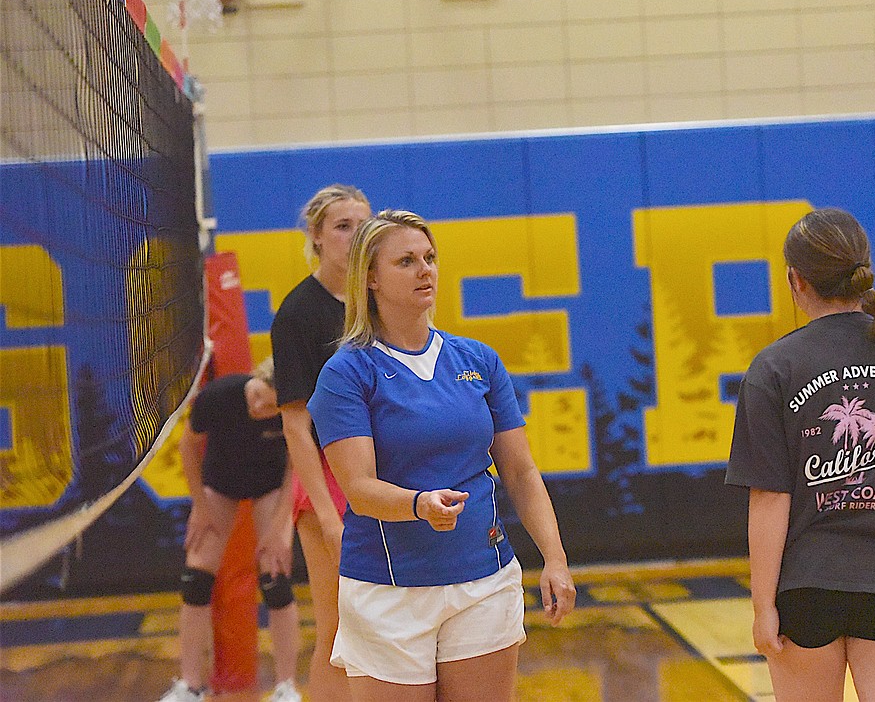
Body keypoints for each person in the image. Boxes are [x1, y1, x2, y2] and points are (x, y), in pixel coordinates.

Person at [306, 209, 576, 702]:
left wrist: (554, 558)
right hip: (389, 590)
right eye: (406, 261)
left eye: (429, 258)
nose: (425, 270)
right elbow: (360, 491)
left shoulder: (477, 360)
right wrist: (419, 505)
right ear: (370, 277)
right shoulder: (346, 374)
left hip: (484, 580)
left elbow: (520, 470)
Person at [725, 207, 875, 702]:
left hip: (807, 587)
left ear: (795, 280)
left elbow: (770, 501)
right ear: (863, 272)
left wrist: (762, 608)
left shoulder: (774, 367)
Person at [270, 184, 372, 701]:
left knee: (390, 626)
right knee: (338, 629)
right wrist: (328, 517)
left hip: (380, 471)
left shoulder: (379, 299)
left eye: (362, 224)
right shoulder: (297, 315)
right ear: (315, 237)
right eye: (342, 226)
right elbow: (295, 425)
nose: (356, 236)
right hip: (328, 480)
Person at [158, 358, 301, 702]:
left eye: (270, 406)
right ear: (254, 380)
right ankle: (190, 686)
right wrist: (200, 506)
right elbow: (188, 446)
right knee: (195, 580)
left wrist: (282, 525)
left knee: (276, 581)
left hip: (269, 487)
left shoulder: (292, 409)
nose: (261, 407)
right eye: (258, 397)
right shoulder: (218, 396)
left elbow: (297, 463)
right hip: (219, 485)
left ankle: (286, 688)